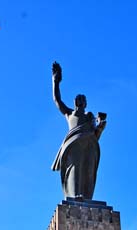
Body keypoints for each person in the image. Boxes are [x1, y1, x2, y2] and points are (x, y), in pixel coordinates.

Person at [51, 61, 107, 200]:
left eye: (82, 99)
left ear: (86, 103)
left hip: (89, 146)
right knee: (74, 169)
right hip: (73, 145)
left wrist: (100, 126)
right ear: (74, 102)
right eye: (78, 98)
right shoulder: (69, 114)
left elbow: (95, 134)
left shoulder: (90, 116)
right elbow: (57, 100)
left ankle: (86, 198)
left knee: (87, 171)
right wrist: (55, 81)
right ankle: (75, 195)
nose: (80, 100)